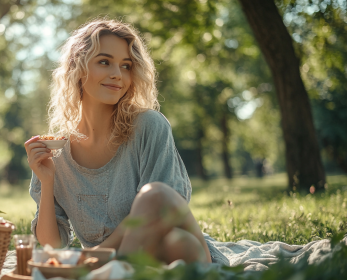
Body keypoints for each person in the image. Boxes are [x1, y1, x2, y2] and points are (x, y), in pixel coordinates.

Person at [24, 19, 212, 264]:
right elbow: (53, 245)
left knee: (156, 198)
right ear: (77, 68)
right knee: (179, 244)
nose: (117, 75)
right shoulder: (56, 150)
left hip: (117, 259)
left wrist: (92, 258)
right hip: (156, 259)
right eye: (104, 62)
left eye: (126, 66)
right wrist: (47, 181)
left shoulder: (149, 126)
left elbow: (165, 208)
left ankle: (106, 268)